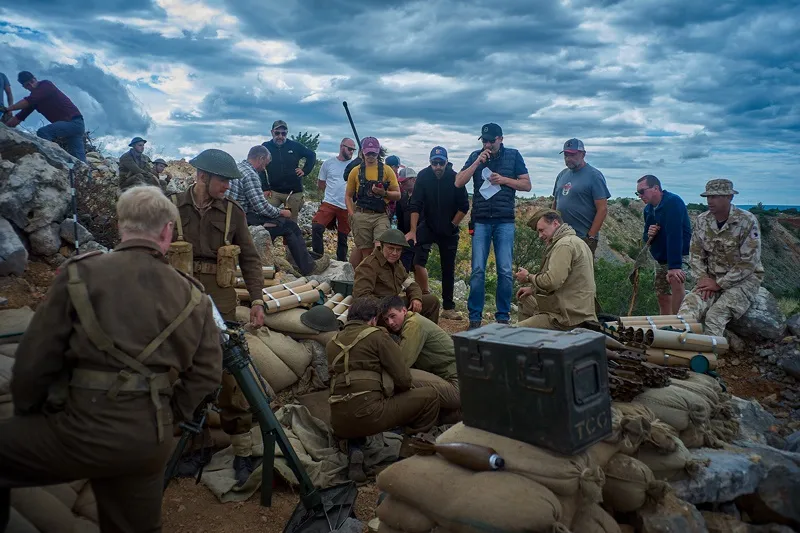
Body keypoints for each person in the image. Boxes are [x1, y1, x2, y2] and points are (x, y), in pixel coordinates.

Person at [0, 185, 222, 533]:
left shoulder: (78, 274)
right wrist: (170, 416)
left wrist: (33, 413)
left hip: (77, 428)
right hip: (148, 438)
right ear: (167, 231)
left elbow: (33, 363)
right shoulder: (194, 295)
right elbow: (208, 374)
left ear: (122, 226)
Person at [170, 148, 266, 485]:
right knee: (182, 372)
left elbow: (251, 260)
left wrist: (257, 300)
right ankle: (195, 445)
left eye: (228, 180)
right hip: (179, 305)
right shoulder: (172, 208)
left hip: (221, 309)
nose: (227, 186)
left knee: (229, 378)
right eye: (222, 180)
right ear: (202, 177)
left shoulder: (234, 213)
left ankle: (242, 452)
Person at [326, 297, 439, 481]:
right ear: (372, 320)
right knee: (430, 396)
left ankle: (355, 450)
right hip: (371, 414)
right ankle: (404, 459)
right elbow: (403, 378)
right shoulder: (377, 336)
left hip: (338, 422)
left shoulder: (332, 343)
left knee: (353, 411)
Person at [455, 123, 531, 329]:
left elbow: (526, 185)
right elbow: (458, 182)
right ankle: (475, 318)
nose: (488, 144)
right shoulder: (475, 156)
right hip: (480, 219)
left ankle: (503, 317)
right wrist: (476, 163)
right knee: (477, 269)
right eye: (485, 141)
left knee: (505, 270)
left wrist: (504, 180)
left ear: (501, 139)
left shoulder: (514, 156)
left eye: (491, 140)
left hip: (504, 220)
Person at [678, 179, 764, 337]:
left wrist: (719, 284)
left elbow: (748, 262)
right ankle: (679, 350)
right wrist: (703, 278)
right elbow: (695, 253)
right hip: (710, 279)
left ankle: (708, 357)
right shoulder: (702, 220)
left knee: (715, 316)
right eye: (708, 196)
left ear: (730, 197)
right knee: (688, 309)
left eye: (716, 196)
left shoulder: (747, 221)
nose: (710, 200)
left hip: (743, 281)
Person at [229, 145, 329, 276]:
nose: (264, 168)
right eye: (265, 164)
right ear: (260, 158)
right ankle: (310, 268)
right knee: (290, 226)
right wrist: (282, 212)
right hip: (241, 219)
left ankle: (269, 258)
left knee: (274, 222)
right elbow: (261, 207)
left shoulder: (239, 168)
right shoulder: (251, 175)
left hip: (234, 215)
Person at [408, 146, 469, 321]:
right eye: (434, 163)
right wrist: (413, 231)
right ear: (430, 163)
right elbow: (415, 205)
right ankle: (422, 298)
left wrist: (452, 224)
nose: (437, 166)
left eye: (441, 163)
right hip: (428, 224)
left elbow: (464, 206)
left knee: (447, 268)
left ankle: (448, 308)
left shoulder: (454, 177)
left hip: (449, 227)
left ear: (446, 162)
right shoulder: (423, 176)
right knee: (417, 260)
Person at [515, 209, 597, 330]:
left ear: (555, 223)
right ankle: (532, 343)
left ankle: (528, 340)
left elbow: (552, 282)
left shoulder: (563, 245)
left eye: (542, 230)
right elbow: (568, 281)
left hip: (566, 318)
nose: (540, 236)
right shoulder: (576, 241)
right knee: (524, 298)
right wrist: (533, 289)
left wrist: (528, 277)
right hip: (574, 309)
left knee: (512, 332)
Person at [380, 296, 461, 412]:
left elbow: (401, 364)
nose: (390, 323)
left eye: (393, 316)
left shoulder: (414, 324)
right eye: (386, 319)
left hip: (457, 387)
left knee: (398, 377)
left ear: (403, 310)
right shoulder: (412, 321)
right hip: (454, 380)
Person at [354, 229, 441, 323]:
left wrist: (416, 298)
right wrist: (388, 308)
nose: (394, 253)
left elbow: (410, 284)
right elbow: (362, 297)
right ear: (382, 246)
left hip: (396, 305)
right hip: (378, 311)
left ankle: (428, 335)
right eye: (391, 248)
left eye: (398, 249)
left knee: (432, 301)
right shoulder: (369, 265)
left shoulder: (397, 264)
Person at [637, 175, 692, 314]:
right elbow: (646, 237)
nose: (640, 196)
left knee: (676, 284)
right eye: (637, 193)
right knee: (662, 296)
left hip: (678, 255)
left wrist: (674, 266)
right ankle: (664, 327)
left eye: (642, 191)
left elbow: (675, 234)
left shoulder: (673, 202)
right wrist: (649, 234)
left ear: (656, 188)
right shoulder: (648, 209)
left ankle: (677, 324)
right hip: (660, 258)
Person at [5, 71, 86, 162]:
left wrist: (8, 109)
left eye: (32, 82)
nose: (31, 85)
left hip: (74, 122)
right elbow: (19, 117)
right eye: (27, 85)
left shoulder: (45, 85)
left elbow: (28, 101)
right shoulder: (34, 99)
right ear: (24, 87)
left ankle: (50, 161)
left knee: (43, 133)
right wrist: (4, 128)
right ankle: (85, 175)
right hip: (72, 127)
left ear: (35, 79)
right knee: (79, 160)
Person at [345, 137, 401, 266]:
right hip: (361, 214)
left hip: (380, 214)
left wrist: (384, 193)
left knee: (380, 248)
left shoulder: (387, 170)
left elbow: (398, 195)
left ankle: (377, 278)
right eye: (368, 152)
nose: (371, 156)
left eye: (373, 153)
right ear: (363, 152)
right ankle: (367, 278)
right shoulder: (355, 171)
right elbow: (348, 196)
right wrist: (352, 214)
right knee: (366, 251)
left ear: (378, 152)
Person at [551, 138, 611, 255]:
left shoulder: (594, 176)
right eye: (566, 155)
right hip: (561, 236)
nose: (569, 158)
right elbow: (555, 203)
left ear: (583, 154)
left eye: (573, 155)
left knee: (581, 273)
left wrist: (591, 236)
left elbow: (602, 209)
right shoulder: (562, 175)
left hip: (582, 237)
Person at [260, 120, 317, 222]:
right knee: (266, 217)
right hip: (274, 191)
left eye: (283, 133)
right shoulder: (266, 147)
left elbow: (312, 155)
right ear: (272, 132)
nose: (280, 136)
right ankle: (269, 236)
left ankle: (290, 237)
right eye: (277, 133)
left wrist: (305, 170)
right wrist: (265, 188)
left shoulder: (295, 146)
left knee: (291, 222)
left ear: (287, 133)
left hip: (293, 191)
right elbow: (261, 168)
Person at [311, 138, 357, 261]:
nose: (352, 152)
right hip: (329, 202)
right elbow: (321, 183)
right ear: (342, 147)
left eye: (353, 150)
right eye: (349, 148)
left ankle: (341, 262)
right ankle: (318, 258)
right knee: (316, 226)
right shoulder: (328, 163)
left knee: (343, 236)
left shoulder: (355, 166)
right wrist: (330, 192)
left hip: (346, 204)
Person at [394, 166, 418, 272]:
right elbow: (399, 218)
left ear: (413, 179)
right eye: (400, 182)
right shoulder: (402, 198)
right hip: (405, 235)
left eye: (404, 182)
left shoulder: (422, 196)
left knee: (418, 265)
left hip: (420, 236)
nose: (401, 185)